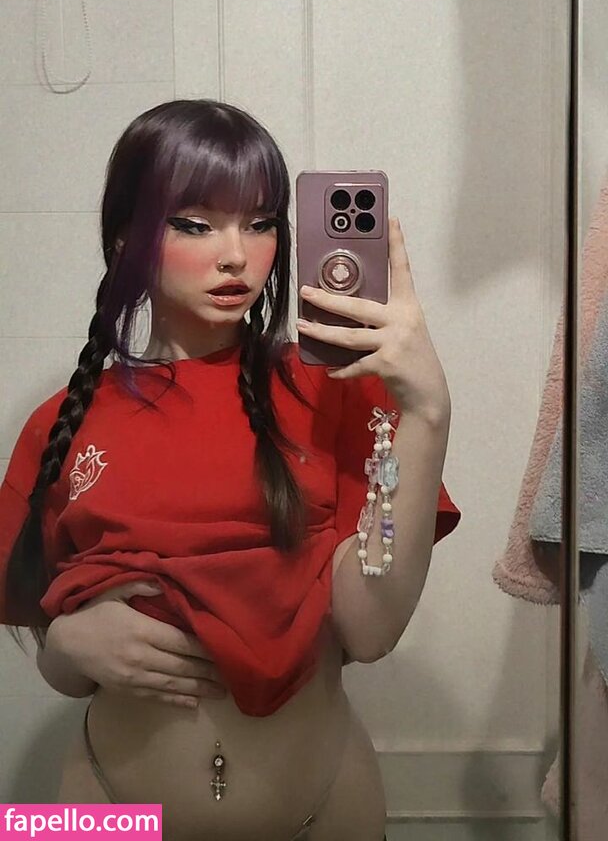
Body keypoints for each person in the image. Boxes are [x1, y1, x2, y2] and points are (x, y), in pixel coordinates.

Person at [0, 99, 460, 841]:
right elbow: (59, 656)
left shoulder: (334, 391)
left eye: (260, 222)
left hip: (327, 809)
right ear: (126, 237)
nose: (237, 256)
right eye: (195, 224)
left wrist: (429, 415)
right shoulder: (60, 423)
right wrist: (65, 646)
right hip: (105, 809)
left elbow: (371, 630)